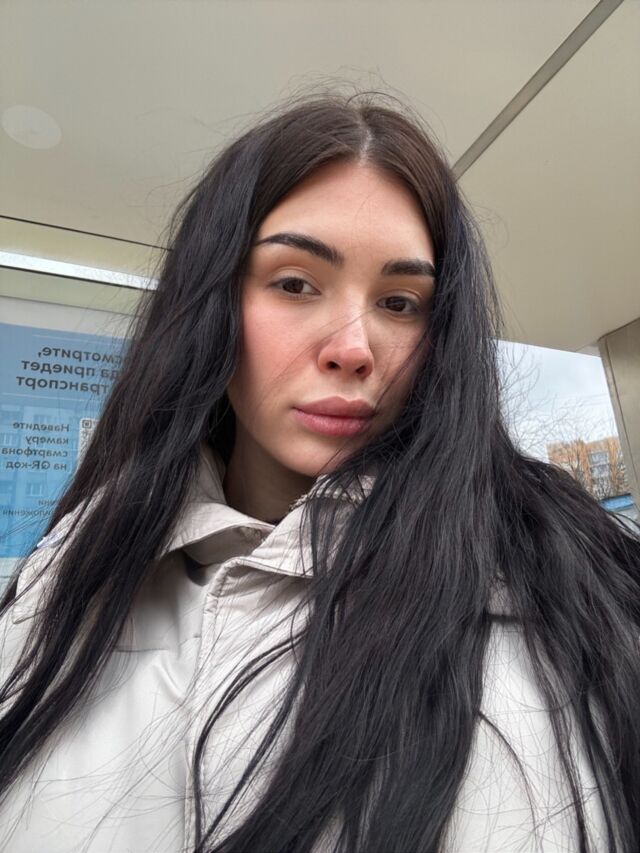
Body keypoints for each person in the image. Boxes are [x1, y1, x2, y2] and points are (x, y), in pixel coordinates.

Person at [0, 89, 638, 853]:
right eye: (295, 283)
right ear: (213, 302)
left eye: (400, 302)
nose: (353, 348)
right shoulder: (59, 592)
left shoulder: (572, 596)